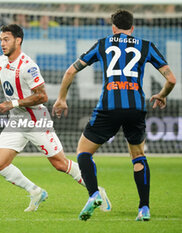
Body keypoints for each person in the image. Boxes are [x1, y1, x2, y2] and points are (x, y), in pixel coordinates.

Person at [0, 24, 111, 212]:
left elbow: (42, 96)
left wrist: (13, 103)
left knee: (60, 164)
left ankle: (97, 191)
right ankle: (35, 192)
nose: (2, 43)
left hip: (36, 120)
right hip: (16, 121)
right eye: (1, 39)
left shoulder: (28, 66)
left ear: (18, 40)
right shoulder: (0, 62)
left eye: (6, 39)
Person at [52, 9, 176, 221]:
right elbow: (171, 79)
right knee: (138, 156)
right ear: (133, 28)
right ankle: (144, 208)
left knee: (83, 151)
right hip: (136, 108)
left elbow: (70, 71)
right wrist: (162, 94)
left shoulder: (104, 43)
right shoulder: (146, 46)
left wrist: (61, 98)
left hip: (108, 107)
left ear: (113, 27)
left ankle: (93, 194)